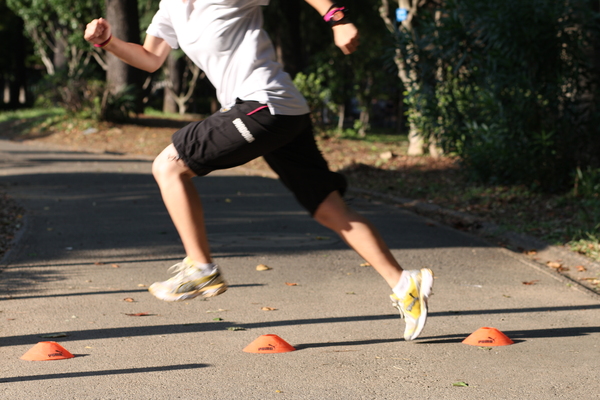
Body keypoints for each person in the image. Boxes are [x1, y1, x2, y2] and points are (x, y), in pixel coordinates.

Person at [84, 0, 433, 341]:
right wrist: (107, 42)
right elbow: (150, 58)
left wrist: (337, 19)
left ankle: (201, 269)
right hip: (283, 110)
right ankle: (404, 283)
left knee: (168, 165)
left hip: (262, 104)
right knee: (328, 207)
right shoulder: (170, 8)